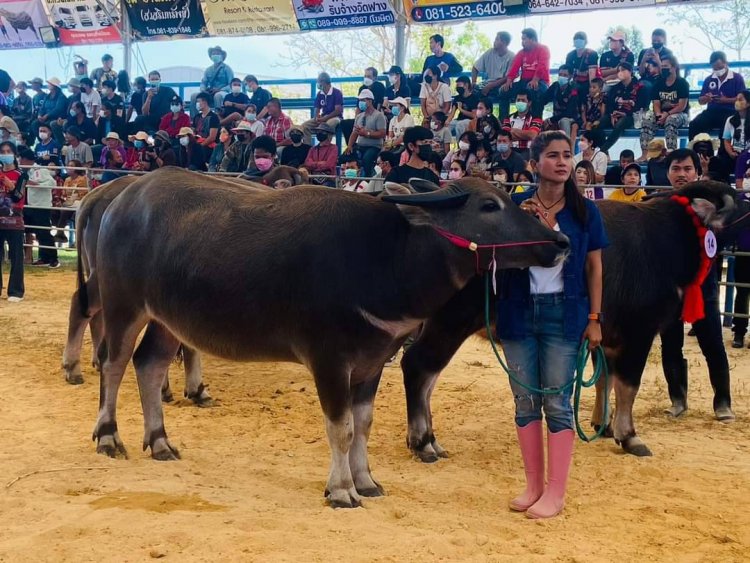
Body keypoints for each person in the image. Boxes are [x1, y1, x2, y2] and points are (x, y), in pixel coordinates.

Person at [497, 130, 607, 520]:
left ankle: (555, 492)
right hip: (518, 309)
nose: (562, 162)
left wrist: (595, 318)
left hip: (566, 311)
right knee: (525, 398)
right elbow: (499, 259)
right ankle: (533, 486)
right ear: (534, 163)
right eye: (553, 155)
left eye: (567, 155)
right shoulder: (513, 206)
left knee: (557, 402)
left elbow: (594, 267)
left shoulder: (585, 211)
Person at [659, 148, 733, 422]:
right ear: (667, 173)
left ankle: (723, 402)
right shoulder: (657, 206)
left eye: (687, 169)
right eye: (676, 169)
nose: (681, 174)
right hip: (668, 292)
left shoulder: (714, 205)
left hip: (704, 289)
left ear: (698, 172)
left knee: (713, 343)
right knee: (670, 345)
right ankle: (678, 399)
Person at [640, 56, 690, 156]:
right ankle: (646, 154)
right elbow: (656, 103)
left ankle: (672, 153)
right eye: (662, 66)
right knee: (647, 119)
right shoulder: (658, 83)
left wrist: (667, 114)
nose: (663, 69)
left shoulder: (682, 83)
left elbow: (682, 106)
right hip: (662, 114)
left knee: (670, 120)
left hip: (680, 114)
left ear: (674, 67)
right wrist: (659, 115)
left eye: (666, 66)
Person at [690, 52, 746, 140]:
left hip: (730, 112)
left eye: (720, 67)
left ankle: (722, 152)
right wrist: (706, 98)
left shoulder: (737, 78)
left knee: (727, 124)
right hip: (712, 112)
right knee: (695, 123)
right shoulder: (709, 79)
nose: (718, 70)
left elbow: (743, 99)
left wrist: (726, 100)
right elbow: (700, 101)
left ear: (726, 63)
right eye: (715, 68)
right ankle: (697, 151)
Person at [20, 147, 58, 268]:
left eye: (21, 158)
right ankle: (43, 257)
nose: (19, 160)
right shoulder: (26, 172)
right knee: (36, 231)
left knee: (44, 232)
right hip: (30, 205)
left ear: (25, 159)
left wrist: (37, 185)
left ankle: (53, 258)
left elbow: (52, 183)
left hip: (41, 206)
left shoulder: (41, 170)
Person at [500, 28, 550, 119]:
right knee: (503, 91)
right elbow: (514, 68)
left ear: (533, 39)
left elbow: (542, 66)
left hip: (541, 82)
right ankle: (503, 121)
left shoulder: (543, 49)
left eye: (524, 39)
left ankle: (535, 121)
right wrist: (509, 81)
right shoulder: (521, 53)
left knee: (532, 89)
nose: (522, 42)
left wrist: (535, 79)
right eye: (522, 39)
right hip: (524, 82)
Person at [0, 141, 26, 301]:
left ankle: (16, 291)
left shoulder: (21, 175)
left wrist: (10, 185)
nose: (5, 153)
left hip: (15, 221)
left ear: (15, 154)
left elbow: (19, 197)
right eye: (3, 151)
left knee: (16, 257)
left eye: (8, 151)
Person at [601, 62, 643, 153]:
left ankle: (602, 150)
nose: (620, 72)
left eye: (623, 70)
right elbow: (610, 103)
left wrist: (624, 114)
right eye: (618, 71)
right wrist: (612, 114)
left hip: (630, 116)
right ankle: (603, 151)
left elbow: (641, 106)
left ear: (630, 71)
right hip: (615, 114)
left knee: (620, 123)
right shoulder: (615, 87)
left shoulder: (640, 87)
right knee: (600, 122)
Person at [345, 89, 386, 177]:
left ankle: (366, 181)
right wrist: (349, 146)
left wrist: (367, 133)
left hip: (374, 147)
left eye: (363, 100)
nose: (360, 102)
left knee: (367, 159)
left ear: (370, 101)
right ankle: (350, 180)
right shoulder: (359, 116)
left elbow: (382, 133)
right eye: (360, 100)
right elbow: (354, 133)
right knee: (344, 157)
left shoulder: (379, 115)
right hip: (360, 146)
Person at [301, 72, 343, 146]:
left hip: (335, 118)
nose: (317, 83)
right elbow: (317, 108)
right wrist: (316, 117)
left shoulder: (337, 93)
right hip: (323, 118)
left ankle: (324, 147)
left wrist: (324, 118)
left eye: (318, 81)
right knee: (305, 126)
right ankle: (308, 149)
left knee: (329, 124)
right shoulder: (320, 94)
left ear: (323, 81)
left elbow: (337, 110)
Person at [191, 46, 234, 117]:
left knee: (218, 95)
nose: (215, 55)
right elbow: (203, 82)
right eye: (213, 54)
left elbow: (231, 85)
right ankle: (194, 120)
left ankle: (219, 118)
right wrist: (203, 90)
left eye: (217, 53)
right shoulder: (208, 70)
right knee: (194, 96)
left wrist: (219, 90)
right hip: (210, 93)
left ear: (222, 56)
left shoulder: (227, 69)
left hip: (223, 93)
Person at [542, 65, 580, 140]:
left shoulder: (574, 89)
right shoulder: (555, 86)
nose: (561, 77)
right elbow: (543, 100)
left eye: (565, 75)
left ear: (570, 76)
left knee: (563, 121)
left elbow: (569, 112)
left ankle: (567, 147)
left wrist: (551, 120)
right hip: (555, 118)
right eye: (560, 75)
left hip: (571, 119)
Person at [472, 31, 514, 98]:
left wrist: (491, 85)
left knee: (504, 91)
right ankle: (480, 108)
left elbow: (508, 77)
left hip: (503, 84)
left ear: (504, 42)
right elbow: (475, 67)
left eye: (497, 39)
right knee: (473, 92)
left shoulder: (512, 56)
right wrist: (473, 82)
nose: (494, 42)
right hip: (488, 83)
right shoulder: (490, 52)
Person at [55, 158, 88, 242]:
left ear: (77, 168)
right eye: (68, 166)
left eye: (71, 166)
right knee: (54, 211)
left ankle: (60, 232)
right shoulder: (67, 179)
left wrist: (73, 198)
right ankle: (60, 232)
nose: (69, 167)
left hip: (79, 202)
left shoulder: (83, 179)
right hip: (68, 202)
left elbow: (84, 194)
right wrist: (61, 201)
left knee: (65, 211)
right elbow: (64, 193)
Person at [501, 91, 542, 159]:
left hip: (528, 150)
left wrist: (513, 131)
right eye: (518, 100)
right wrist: (525, 134)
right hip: (511, 149)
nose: (520, 102)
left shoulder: (536, 118)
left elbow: (532, 135)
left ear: (529, 103)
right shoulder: (508, 118)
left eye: (523, 100)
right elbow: (505, 136)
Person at [720, 89, 750, 174]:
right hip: (736, 153)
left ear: (748, 103)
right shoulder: (730, 120)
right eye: (736, 100)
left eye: (740, 100)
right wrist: (730, 152)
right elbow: (726, 140)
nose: (737, 102)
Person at [564, 32, 598, 101]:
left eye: (581, 39)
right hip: (575, 83)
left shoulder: (591, 54)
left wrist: (592, 88)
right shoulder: (570, 55)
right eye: (576, 39)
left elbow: (592, 74)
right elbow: (567, 72)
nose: (578, 41)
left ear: (585, 41)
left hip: (587, 83)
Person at [34, 78, 67, 146]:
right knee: (35, 124)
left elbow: (58, 109)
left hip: (56, 118)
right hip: (45, 118)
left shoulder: (61, 97)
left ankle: (59, 143)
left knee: (52, 124)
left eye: (50, 84)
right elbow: (42, 108)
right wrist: (40, 115)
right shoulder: (47, 96)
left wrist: (46, 116)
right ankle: (43, 142)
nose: (48, 85)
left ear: (55, 86)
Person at [192, 92, 220, 160]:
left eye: (198, 101)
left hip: (208, 148)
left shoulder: (213, 117)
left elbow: (212, 137)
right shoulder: (196, 117)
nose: (197, 104)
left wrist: (200, 146)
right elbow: (193, 131)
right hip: (197, 144)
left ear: (205, 101)